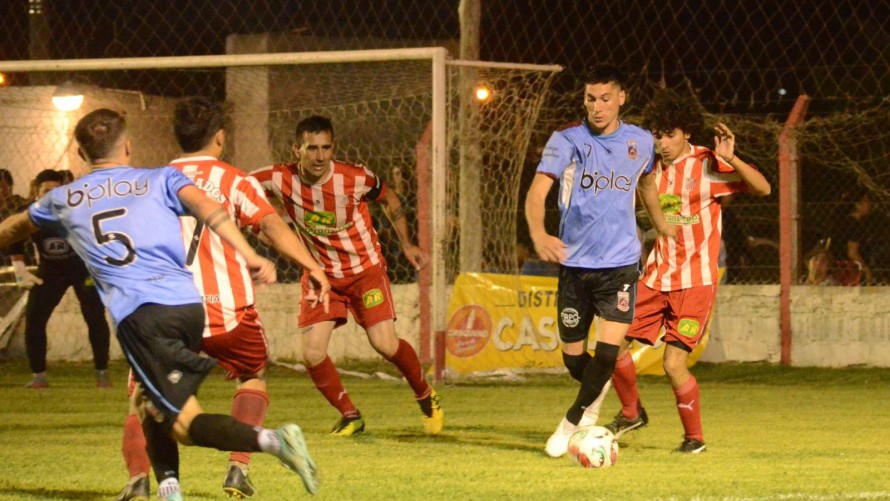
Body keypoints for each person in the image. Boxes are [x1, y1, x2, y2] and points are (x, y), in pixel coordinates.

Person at [0, 109, 320, 501]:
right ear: (128, 146)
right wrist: (248, 253)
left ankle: (275, 442)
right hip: (188, 306)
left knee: (181, 422)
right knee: (150, 400)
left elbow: (15, 227)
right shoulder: (159, 178)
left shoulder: (64, 197)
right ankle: (170, 489)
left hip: (143, 317)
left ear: (81, 154)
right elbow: (208, 208)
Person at [116, 97, 331, 500]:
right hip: (227, 314)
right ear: (220, 136)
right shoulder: (235, 180)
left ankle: (143, 481)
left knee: (143, 398)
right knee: (253, 375)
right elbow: (269, 224)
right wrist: (311, 266)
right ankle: (237, 468)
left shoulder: (149, 183)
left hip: (164, 314)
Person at [251, 115, 444, 437]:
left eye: (326, 148)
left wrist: (407, 244)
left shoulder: (355, 178)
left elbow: (390, 199)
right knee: (312, 352)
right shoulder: (277, 177)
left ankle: (426, 395)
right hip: (320, 275)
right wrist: (255, 223)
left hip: (365, 271)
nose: (319, 156)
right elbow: (237, 188)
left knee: (384, 344)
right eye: (312, 148)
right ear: (296, 149)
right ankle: (350, 415)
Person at [602, 88, 771, 453]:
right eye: (658, 135)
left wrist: (733, 159)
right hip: (654, 278)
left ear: (688, 132)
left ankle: (694, 440)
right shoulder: (648, 167)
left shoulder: (707, 164)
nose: (663, 143)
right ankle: (632, 413)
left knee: (673, 363)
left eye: (670, 134)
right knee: (611, 344)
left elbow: (763, 188)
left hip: (695, 284)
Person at [524, 64, 674, 458]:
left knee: (607, 352)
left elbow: (646, 184)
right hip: (575, 266)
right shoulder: (566, 140)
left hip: (620, 264)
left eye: (606, 98)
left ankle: (572, 422)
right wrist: (539, 234)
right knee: (575, 360)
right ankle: (601, 395)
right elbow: (538, 192)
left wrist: (662, 227)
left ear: (621, 97)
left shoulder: (640, 141)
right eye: (591, 99)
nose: (598, 106)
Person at [8, 169, 111, 389]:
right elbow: (13, 240)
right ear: (36, 191)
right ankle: (39, 377)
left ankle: (102, 374)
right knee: (35, 317)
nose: (51, 196)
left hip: (81, 268)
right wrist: (19, 270)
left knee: (94, 315)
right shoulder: (29, 213)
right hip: (51, 270)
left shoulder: (78, 210)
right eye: (46, 191)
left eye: (56, 191)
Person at [829, 189, 875, 285]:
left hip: (837, 265)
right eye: (866, 201)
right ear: (857, 205)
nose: (869, 204)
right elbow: (852, 253)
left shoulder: (844, 222)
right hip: (847, 268)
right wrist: (866, 270)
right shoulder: (854, 224)